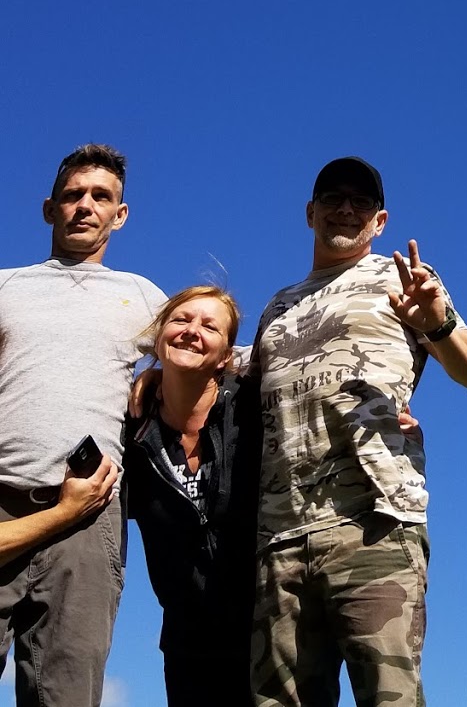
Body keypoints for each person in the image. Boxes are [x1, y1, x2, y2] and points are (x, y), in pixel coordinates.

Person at [250, 156, 467, 707]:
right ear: (310, 213)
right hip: (279, 538)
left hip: (374, 523)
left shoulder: (401, 279)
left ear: (379, 221)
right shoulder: (277, 308)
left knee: (389, 698)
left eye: (360, 202)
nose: (346, 209)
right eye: (333, 198)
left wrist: (439, 324)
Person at [0, 144, 165, 707]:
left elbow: (212, 354)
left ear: (120, 214)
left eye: (101, 197)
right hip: (1, 499)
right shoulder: (6, 286)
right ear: (49, 209)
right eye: (73, 195)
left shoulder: (140, 295)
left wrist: (158, 373)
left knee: (66, 691)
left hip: (89, 514)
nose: (84, 206)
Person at [125, 285, 260, 707]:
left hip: (269, 628)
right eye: (181, 320)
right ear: (159, 334)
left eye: (209, 326)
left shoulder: (255, 409)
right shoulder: (129, 428)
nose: (191, 331)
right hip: (187, 642)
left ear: (227, 354)